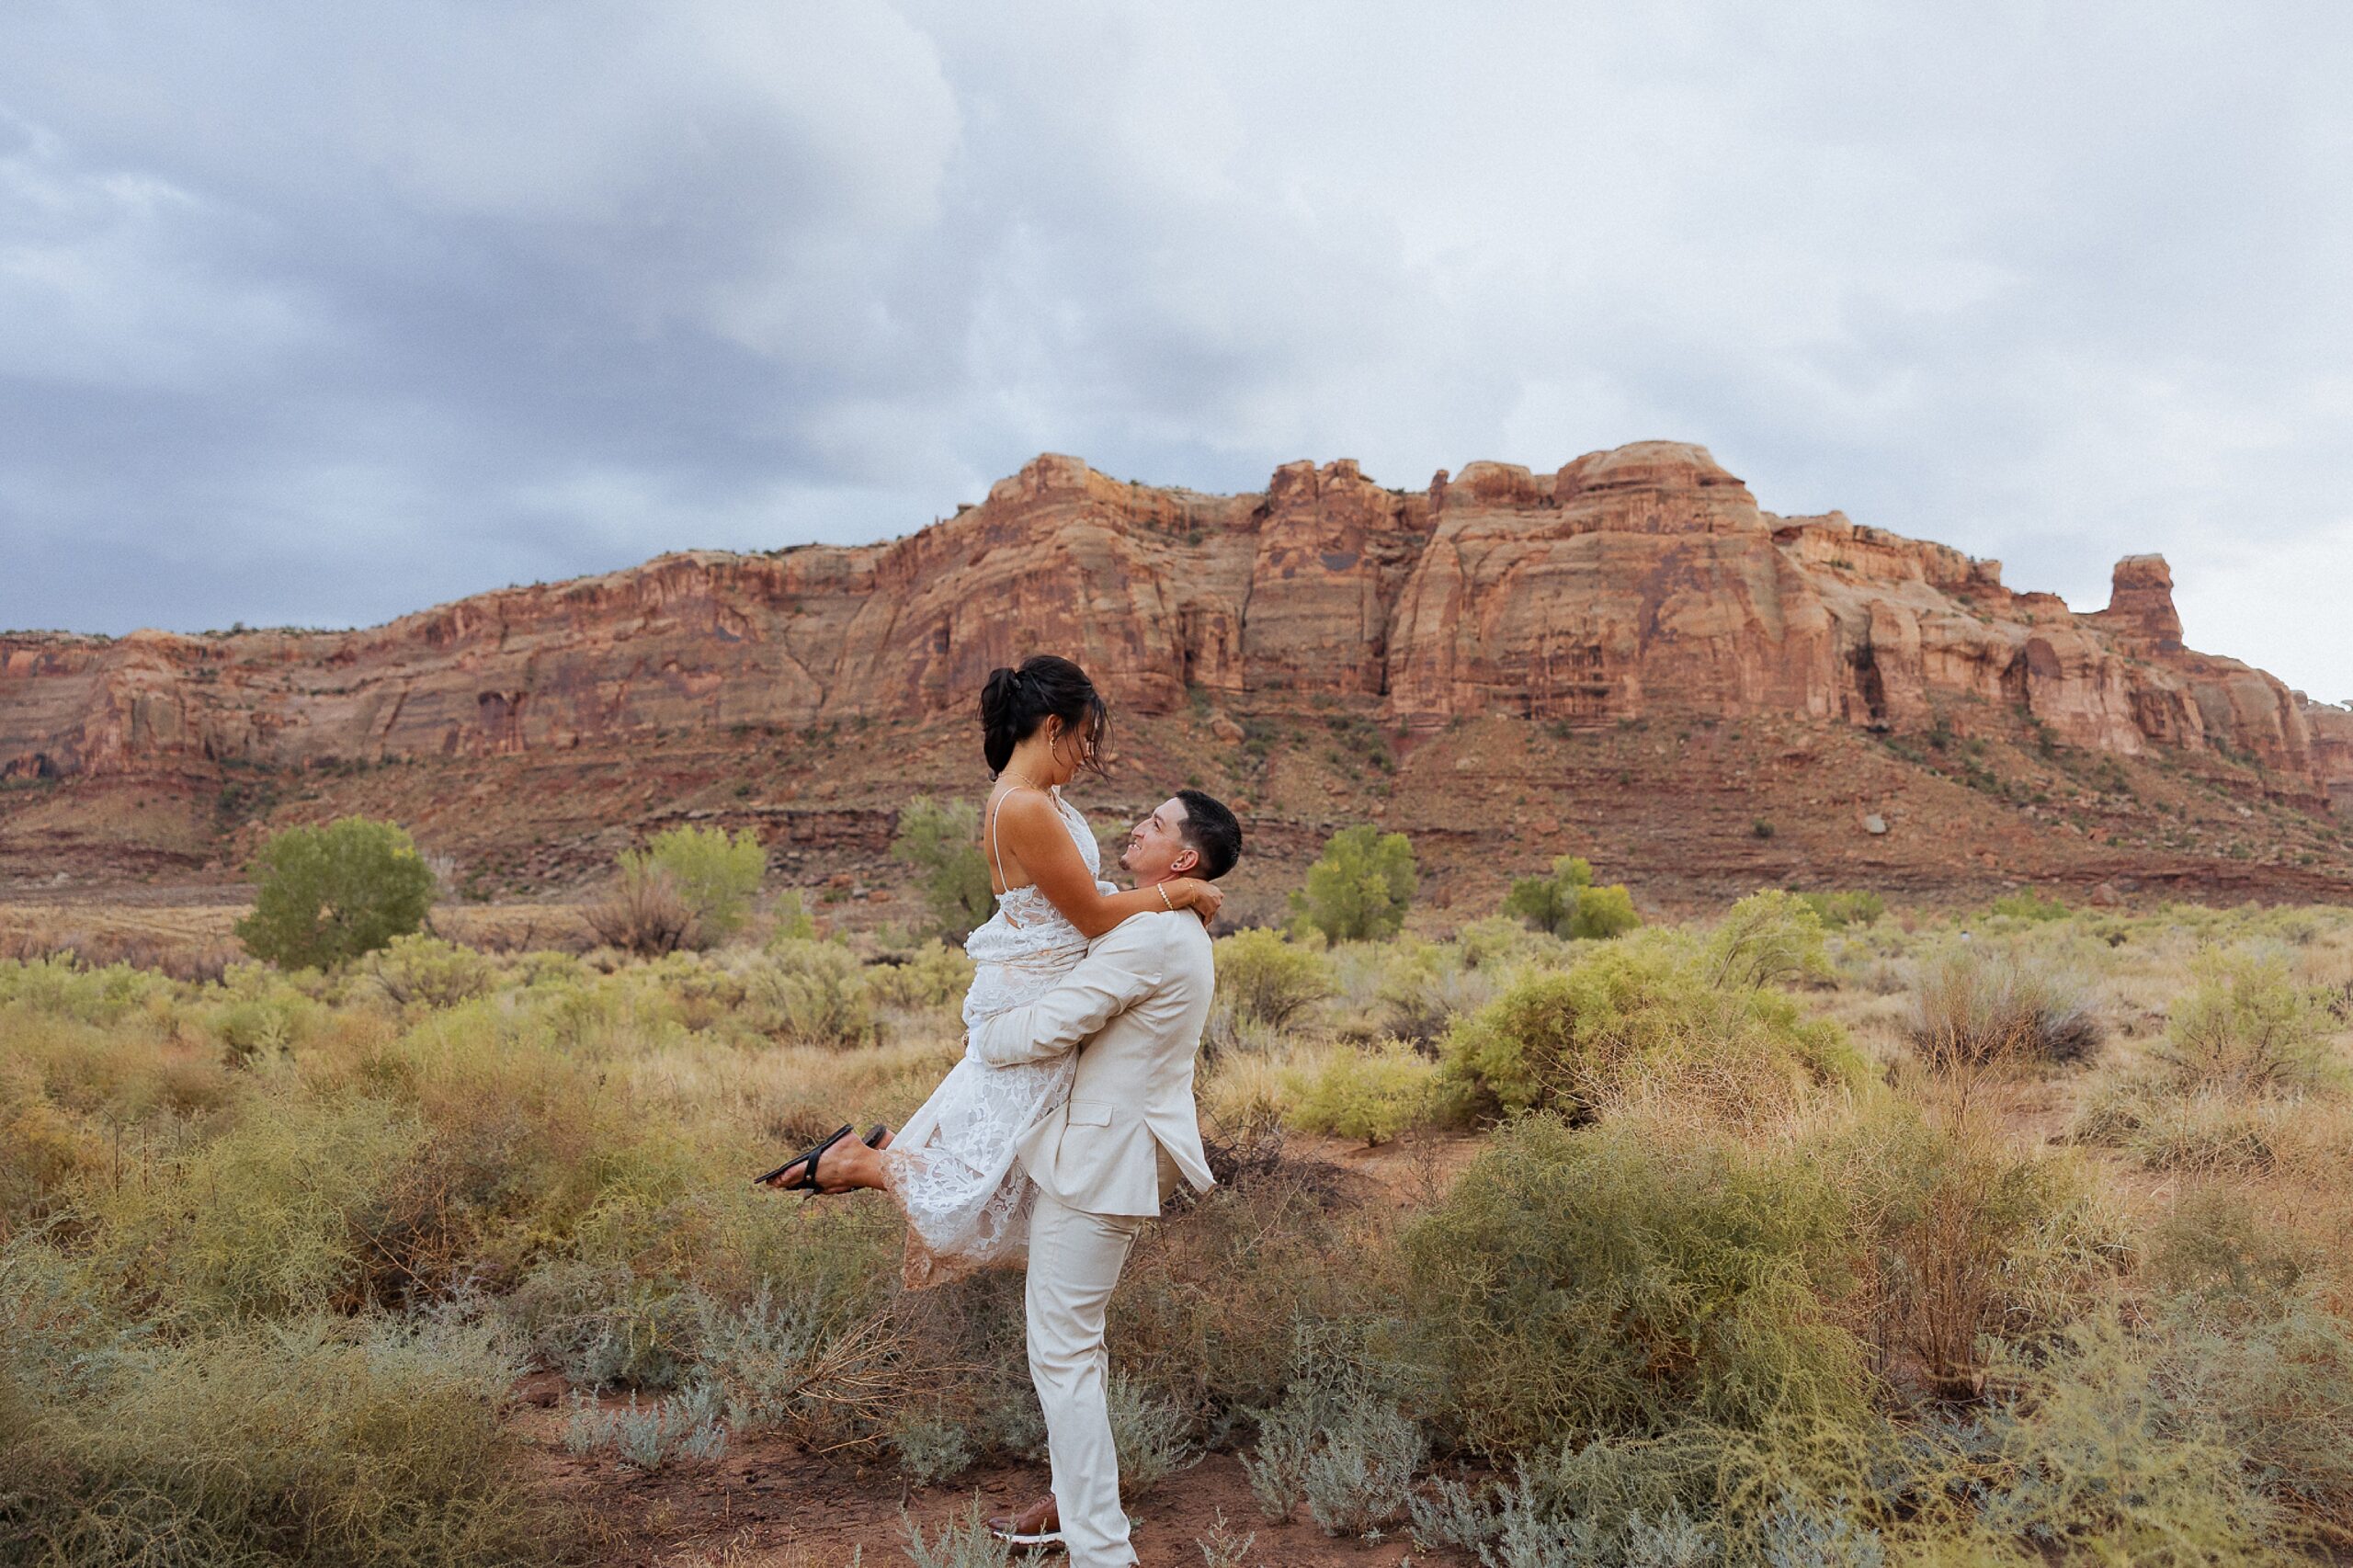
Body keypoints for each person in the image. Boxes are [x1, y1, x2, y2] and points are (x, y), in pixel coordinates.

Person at [758, 654, 1226, 1291]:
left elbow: (1077, 898)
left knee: (1019, 1159)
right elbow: (1090, 915)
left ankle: (897, 1148)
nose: (1087, 754)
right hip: (1037, 993)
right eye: (1085, 738)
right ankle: (861, 1165)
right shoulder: (1023, 807)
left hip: (1046, 979)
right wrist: (1182, 893)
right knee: (993, 1182)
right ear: (1054, 727)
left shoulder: (1040, 796)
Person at [963, 781, 1242, 1565]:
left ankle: (1100, 1550)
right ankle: (1070, 1510)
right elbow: (1101, 909)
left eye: (1154, 826)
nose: (1137, 829)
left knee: (1064, 1355)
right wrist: (1170, 891)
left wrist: (986, 1035)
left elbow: (1060, 1022)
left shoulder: (1154, 937)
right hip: (1102, 1157)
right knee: (1073, 1349)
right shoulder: (1163, 921)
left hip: (1102, 1165)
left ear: (1183, 854)